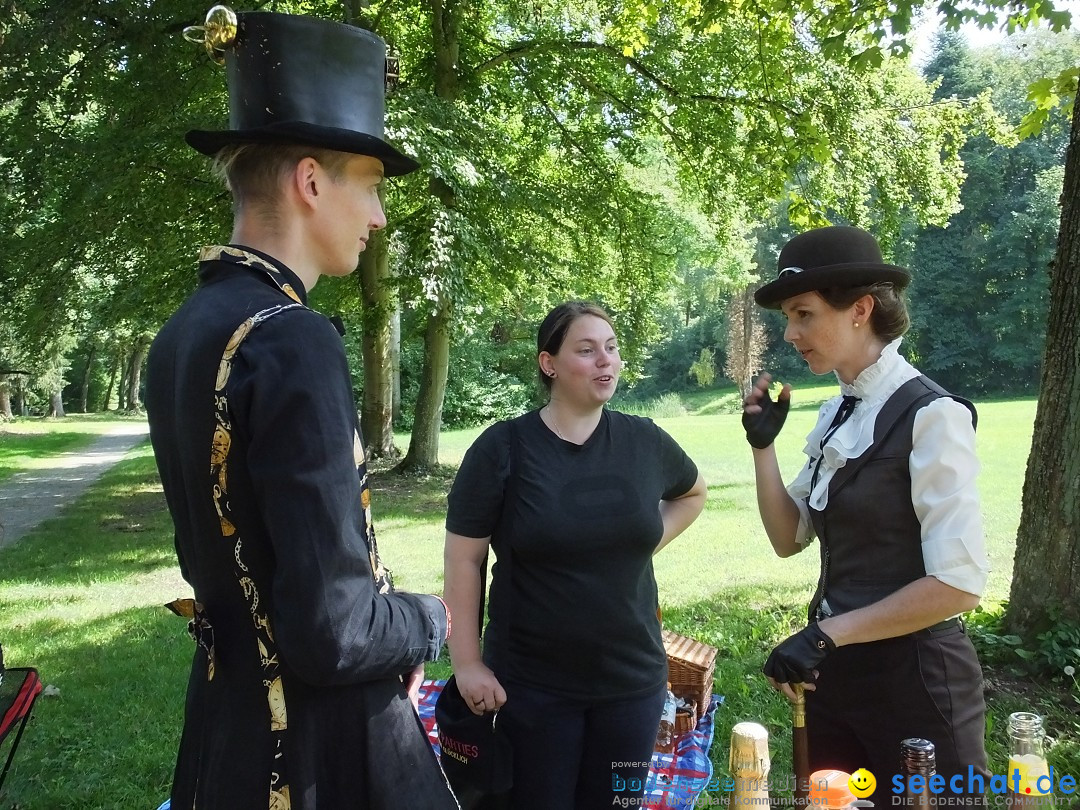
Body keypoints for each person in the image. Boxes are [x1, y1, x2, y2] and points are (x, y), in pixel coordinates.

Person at [145, 10, 458, 810]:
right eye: (373, 186)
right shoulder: (292, 340)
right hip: (314, 758)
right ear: (312, 181)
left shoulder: (182, 334)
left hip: (222, 734)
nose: (380, 216)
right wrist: (431, 618)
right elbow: (337, 632)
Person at [742, 226, 990, 800]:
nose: (791, 333)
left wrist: (825, 636)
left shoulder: (934, 415)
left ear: (860, 309)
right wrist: (762, 448)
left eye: (803, 314)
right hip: (838, 680)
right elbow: (789, 536)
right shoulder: (838, 413)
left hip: (917, 684)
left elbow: (959, 583)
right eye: (787, 317)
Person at [442, 301, 707, 809]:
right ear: (550, 364)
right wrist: (468, 662)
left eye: (611, 349)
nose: (605, 361)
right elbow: (463, 562)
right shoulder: (503, 449)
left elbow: (693, 494)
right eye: (586, 350)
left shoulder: (644, 440)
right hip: (531, 686)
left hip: (632, 683)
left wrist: (638, 543)